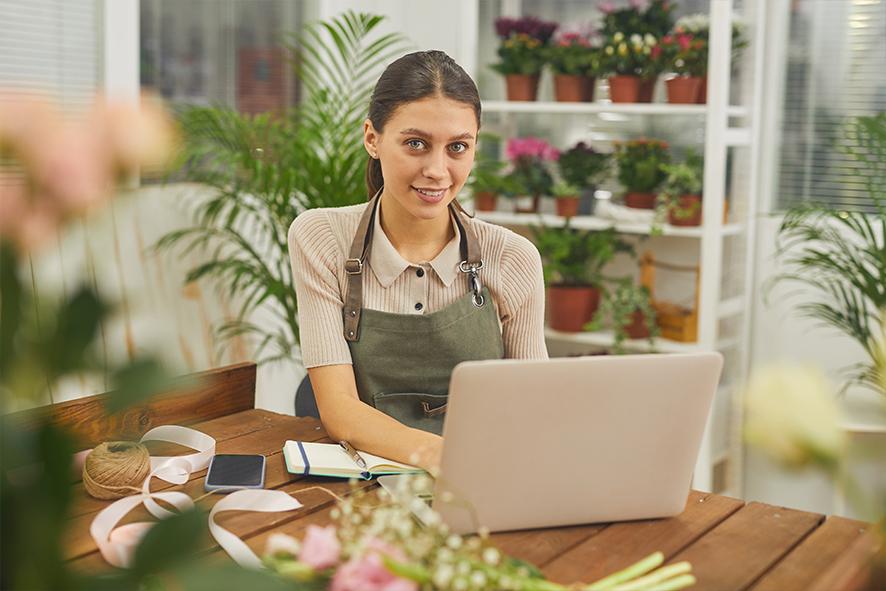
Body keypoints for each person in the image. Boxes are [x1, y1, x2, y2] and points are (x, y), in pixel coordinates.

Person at [288, 50, 547, 473]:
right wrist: (438, 457)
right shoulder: (321, 239)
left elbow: (532, 405)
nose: (437, 170)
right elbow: (338, 409)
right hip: (367, 477)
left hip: (484, 474)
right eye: (415, 143)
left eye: (457, 148)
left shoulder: (513, 258)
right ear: (372, 138)